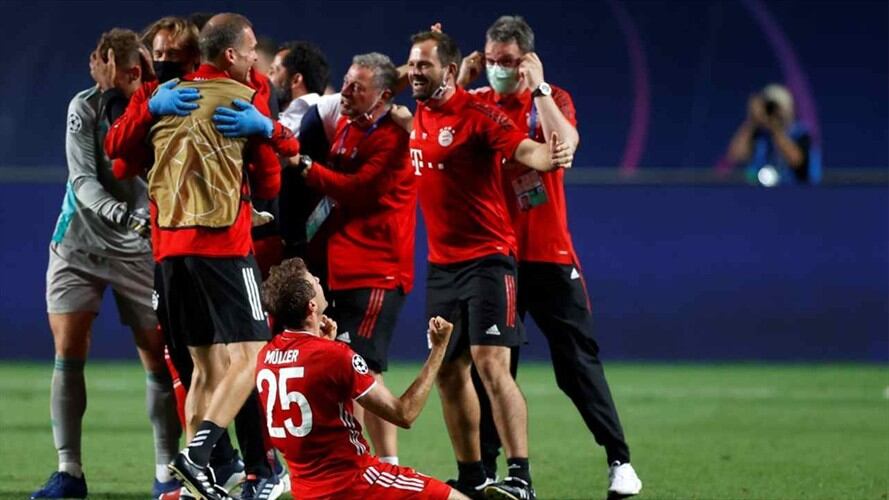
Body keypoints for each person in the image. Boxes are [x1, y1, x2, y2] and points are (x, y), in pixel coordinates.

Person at [456, 15, 642, 497]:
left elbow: (567, 147)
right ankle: (493, 470)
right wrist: (460, 81)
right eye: (492, 61)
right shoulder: (473, 104)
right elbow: (436, 127)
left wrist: (538, 90)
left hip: (549, 254)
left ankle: (619, 460)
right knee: (493, 368)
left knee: (576, 364)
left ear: (529, 61)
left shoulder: (552, 100)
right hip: (494, 257)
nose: (498, 69)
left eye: (509, 62)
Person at [405, 30, 572, 500]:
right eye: (411, 65)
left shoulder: (478, 115)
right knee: (448, 370)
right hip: (442, 266)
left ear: (450, 72)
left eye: (424, 66)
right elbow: (385, 83)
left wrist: (549, 155)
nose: (414, 73)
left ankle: (520, 476)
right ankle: (473, 475)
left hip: (488, 260)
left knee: (491, 365)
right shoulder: (418, 109)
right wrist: (432, 57)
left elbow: (529, 152)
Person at [32, 28, 180, 500]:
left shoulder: (162, 106)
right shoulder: (84, 107)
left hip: (139, 251)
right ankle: (68, 472)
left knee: (157, 358)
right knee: (69, 351)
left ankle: (165, 474)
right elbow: (81, 180)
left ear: (130, 71)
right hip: (78, 247)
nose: (94, 65)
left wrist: (148, 215)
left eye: (103, 60)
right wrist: (125, 214)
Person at [285, 51, 415, 468]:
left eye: (358, 87)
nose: (346, 90)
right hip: (344, 268)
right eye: (346, 80)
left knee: (360, 370)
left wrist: (306, 167)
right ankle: (370, 463)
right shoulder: (349, 123)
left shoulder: (392, 137)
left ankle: (381, 464)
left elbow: (359, 190)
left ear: (379, 96)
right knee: (350, 368)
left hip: (377, 270)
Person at [256, 257, 468, 500]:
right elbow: (404, 413)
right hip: (355, 482)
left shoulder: (266, 356)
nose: (318, 279)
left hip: (307, 491)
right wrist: (439, 348)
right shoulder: (335, 356)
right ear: (312, 307)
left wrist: (324, 343)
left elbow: (313, 395)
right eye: (313, 281)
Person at [727, 83, 820, 186]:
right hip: (756, 194)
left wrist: (774, 128)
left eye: (774, 107)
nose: (771, 112)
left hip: (793, 193)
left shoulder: (800, 132)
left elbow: (796, 160)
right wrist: (752, 120)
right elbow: (736, 155)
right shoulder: (758, 133)